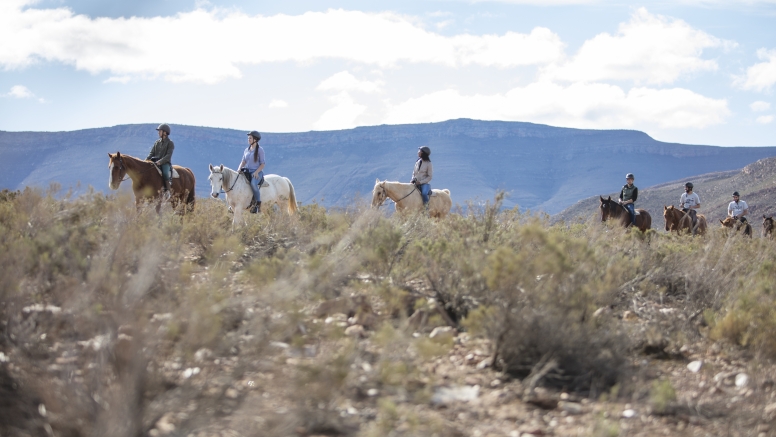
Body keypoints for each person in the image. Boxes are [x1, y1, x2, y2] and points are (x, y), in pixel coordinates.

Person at [238, 130, 265, 213]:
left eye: (250, 138)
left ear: (255, 139)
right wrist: (239, 168)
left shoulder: (260, 150)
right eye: (248, 138)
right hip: (247, 172)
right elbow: (243, 161)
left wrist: (256, 172)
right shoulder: (246, 150)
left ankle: (257, 204)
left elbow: (263, 164)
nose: (248, 139)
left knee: (253, 184)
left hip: (257, 172)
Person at [146, 123, 175, 199]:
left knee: (165, 173)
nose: (158, 133)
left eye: (160, 131)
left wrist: (160, 162)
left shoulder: (170, 143)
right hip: (154, 161)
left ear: (165, 132)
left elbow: (168, 156)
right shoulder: (157, 142)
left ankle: (168, 191)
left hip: (165, 163)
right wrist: (146, 160)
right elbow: (151, 153)